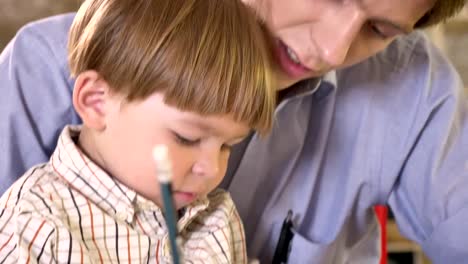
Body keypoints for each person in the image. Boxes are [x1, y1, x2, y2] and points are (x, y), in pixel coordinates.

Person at [0, 0, 467, 263]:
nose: (332, 48)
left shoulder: (419, 91)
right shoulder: (39, 72)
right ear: (94, 101)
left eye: (379, 29)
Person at [0, 0, 276, 262]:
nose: (213, 169)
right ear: (96, 102)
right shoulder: (32, 228)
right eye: (187, 138)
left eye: (227, 145)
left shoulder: (218, 217)